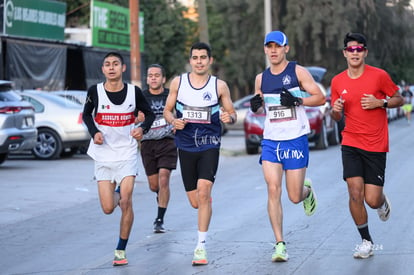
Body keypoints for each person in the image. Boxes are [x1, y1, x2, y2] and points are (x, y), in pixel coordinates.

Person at [250, 30, 325, 262]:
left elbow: (320, 98)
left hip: (295, 138)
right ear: (265, 49)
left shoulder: (297, 71)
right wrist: (256, 105)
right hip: (271, 139)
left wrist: (298, 100)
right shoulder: (261, 78)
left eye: (277, 46)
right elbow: (262, 106)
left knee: (294, 196)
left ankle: (307, 191)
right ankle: (279, 244)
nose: (273, 50)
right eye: (269, 46)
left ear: (286, 48)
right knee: (273, 190)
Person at [330, 32, 403, 259]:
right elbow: (334, 115)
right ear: (344, 53)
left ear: (365, 52)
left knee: (371, 200)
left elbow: (399, 99)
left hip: (375, 145)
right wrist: (336, 111)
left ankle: (382, 202)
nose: (355, 53)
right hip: (350, 142)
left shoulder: (379, 76)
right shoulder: (337, 81)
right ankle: (366, 240)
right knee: (354, 193)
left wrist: (379, 102)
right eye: (350, 49)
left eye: (359, 49)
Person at [163, 42, 236, 265]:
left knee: (203, 193)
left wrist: (229, 118)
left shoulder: (219, 86)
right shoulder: (178, 82)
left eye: (203, 58)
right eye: (195, 58)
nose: (199, 62)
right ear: (191, 60)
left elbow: (232, 114)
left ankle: (200, 247)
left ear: (210, 60)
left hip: (209, 144)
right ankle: (205, 202)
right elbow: (167, 110)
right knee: (195, 201)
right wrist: (173, 120)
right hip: (185, 145)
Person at [82, 52, 155, 266]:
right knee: (107, 208)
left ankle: (121, 250)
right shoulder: (94, 92)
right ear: (103, 69)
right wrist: (94, 131)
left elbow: (149, 114)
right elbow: (87, 115)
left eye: (115, 64)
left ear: (123, 68)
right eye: (107, 64)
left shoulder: (134, 92)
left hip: (127, 153)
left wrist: (142, 128)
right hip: (103, 154)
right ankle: (116, 192)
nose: (111, 67)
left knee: (126, 199)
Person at [138, 64, 177, 233]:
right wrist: (136, 119)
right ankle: (160, 196)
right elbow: (132, 116)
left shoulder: (170, 95)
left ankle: (159, 219)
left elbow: (182, 111)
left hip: (167, 141)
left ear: (163, 79)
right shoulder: (141, 96)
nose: (153, 78)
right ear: (147, 79)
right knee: (154, 186)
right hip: (147, 144)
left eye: (156, 75)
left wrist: (178, 122)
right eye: (150, 75)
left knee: (163, 179)